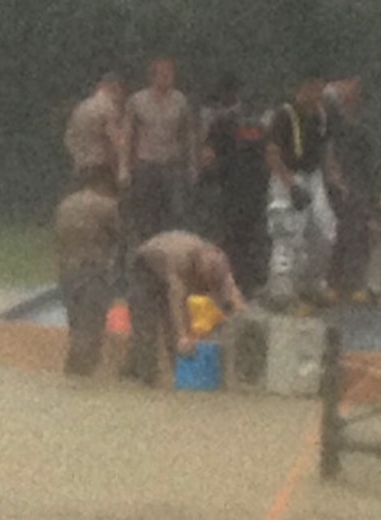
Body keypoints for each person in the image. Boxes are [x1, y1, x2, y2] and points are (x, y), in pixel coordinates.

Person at [123, 230, 246, 386]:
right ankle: (144, 375)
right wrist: (183, 337)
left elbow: (231, 293)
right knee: (148, 325)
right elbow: (176, 303)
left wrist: (241, 317)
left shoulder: (219, 263)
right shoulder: (180, 261)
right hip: (145, 267)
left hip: (169, 269)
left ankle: (180, 374)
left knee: (174, 327)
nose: (207, 288)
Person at [261, 77, 332, 311]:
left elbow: (324, 149)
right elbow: (272, 153)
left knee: (325, 231)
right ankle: (280, 288)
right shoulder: (284, 115)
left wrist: (333, 178)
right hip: (288, 175)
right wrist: (290, 185)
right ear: (305, 88)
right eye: (316, 90)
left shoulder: (319, 115)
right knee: (286, 232)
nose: (319, 95)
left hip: (313, 177)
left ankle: (311, 283)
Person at [198, 72, 271, 298]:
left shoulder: (223, 121)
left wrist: (208, 176)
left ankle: (237, 283)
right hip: (245, 187)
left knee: (235, 236)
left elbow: (208, 155)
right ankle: (243, 282)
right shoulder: (256, 124)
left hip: (236, 187)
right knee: (246, 236)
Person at [121, 57, 199, 253]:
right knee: (146, 214)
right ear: (153, 77)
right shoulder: (137, 101)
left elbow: (187, 133)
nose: (168, 78)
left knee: (176, 212)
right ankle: (146, 253)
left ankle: (173, 251)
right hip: (146, 163)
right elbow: (128, 134)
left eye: (170, 74)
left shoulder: (180, 100)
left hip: (171, 164)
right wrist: (124, 167)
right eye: (163, 74)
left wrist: (192, 164)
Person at [318, 77, 381, 302]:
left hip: (355, 191)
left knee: (358, 231)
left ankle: (353, 282)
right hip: (333, 188)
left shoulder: (362, 134)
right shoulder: (329, 127)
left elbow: (369, 173)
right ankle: (334, 281)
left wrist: (372, 206)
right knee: (338, 232)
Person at [53, 172, 122, 377]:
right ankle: (82, 379)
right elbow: (119, 237)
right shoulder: (106, 205)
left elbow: (57, 239)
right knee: (91, 329)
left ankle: (71, 376)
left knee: (76, 327)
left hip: (67, 271)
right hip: (93, 270)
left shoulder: (64, 205)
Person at [62, 73, 125, 196]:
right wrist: (121, 169)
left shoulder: (81, 107)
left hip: (80, 166)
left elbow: (68, 139)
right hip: (101, 168)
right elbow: (116, 141)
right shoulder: (109, 108)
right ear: (115, 87)